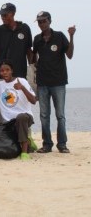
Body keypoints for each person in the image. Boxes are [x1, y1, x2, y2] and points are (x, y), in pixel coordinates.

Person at [32, 11, 76, 154]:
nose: (42, 24)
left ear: (50, 21)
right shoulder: (37, 39)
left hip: (58, 82)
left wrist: (71, 36)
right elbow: (34, 59)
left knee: (60, 115)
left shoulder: (59, 36)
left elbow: (69, 55)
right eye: (39, 22)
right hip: (42, 83)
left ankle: (62, 144)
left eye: (44, 21)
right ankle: (47, 144)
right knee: (44, 115)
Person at [0, 60, 38, 160]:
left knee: (21, 117)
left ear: (12, 71)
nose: (4, 72)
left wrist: (22, 88)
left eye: (7, 70)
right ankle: (29, 141)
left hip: (25, 117)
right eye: (2, 71)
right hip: (8, 121)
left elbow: (33, 101)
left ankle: (24, 152)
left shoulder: (21, 81)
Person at [0, 3, 32, 79]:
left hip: (20, 74)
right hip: (2, 75)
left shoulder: (25, 28)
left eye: (5, 15)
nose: (3, 17)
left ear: (13, 14)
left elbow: (29, 52)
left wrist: (32, 71)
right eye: (1, 15)